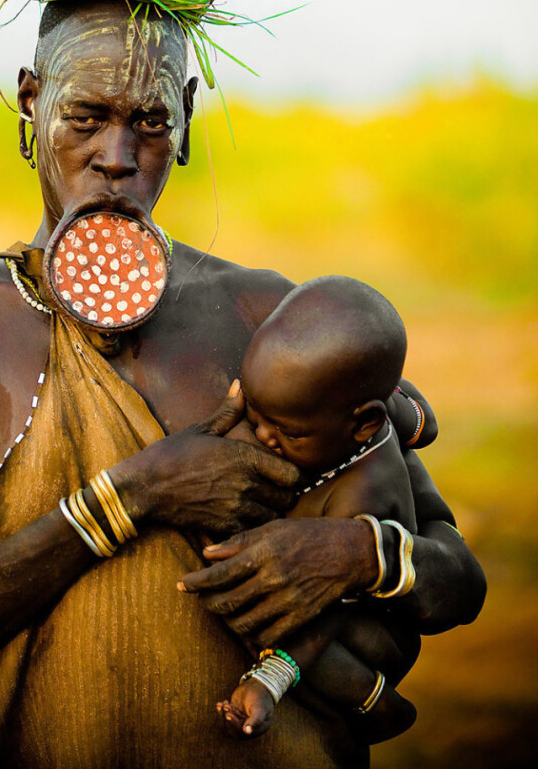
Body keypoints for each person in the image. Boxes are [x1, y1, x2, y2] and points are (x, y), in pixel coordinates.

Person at [0, 0, 486, 769]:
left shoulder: (270, 317)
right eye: (84, 116)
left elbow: (456, 575)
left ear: (184, 120)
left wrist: (345, 554)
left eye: (150, 121)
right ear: (30, 101)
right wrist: (134, 495)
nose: (116, 155)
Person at [214, 274, 421, 740]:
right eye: (254, 412)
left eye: (287, 432)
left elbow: (321, 606)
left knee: (264, 614)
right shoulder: (324, 415)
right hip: (316, 576)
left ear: (364, 424)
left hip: (354, 617)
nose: (264, 436)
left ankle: (375, 704)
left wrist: (269, 680)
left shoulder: (363, 491)